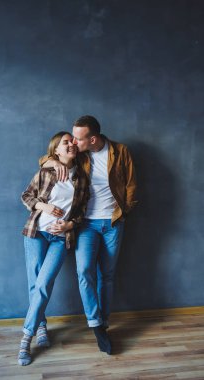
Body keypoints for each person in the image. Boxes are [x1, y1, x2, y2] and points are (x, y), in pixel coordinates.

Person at [41, 116, 137, 355]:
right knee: (84, 271)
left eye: (78, 138)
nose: (73, 142)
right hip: (84, 223)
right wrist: (53, 163)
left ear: (92, 139)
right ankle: (95, 324)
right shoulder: (78, 154)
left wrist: (124, 211)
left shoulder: (120, 151)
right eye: (72, 137)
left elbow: (132, 186)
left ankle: (103, 323)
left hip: (113, 222)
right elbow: (45, 158)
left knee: (108, 274)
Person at [18, 131, 89, 366]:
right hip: (36, 234)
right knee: (34, 284)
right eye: (64, 143)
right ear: (56, 150)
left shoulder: (82, 177)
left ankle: (25, 338)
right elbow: (26, 196)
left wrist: (70, 223)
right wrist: (43, 206)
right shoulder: (46, 171)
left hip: (60, 240)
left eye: (72, 141)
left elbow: (80, 213)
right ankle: (39, 328)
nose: (70, 144)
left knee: (44, 284)